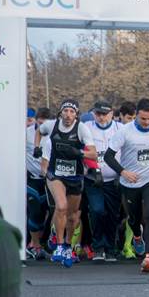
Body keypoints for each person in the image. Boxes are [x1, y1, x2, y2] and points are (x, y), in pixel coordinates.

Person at [104, 98, 149, 273]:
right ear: (136, 116)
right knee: (133, 219)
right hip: (130, 182)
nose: (147, 122)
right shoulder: (125, 132)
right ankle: (137, 236)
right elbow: (108, 157)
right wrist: (123, 172)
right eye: (143, 119)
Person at [37, 100, 98, 268]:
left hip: (75, 177)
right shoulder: (52, 126)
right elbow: (38, 131)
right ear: (61, 113)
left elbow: (93, 154)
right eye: (66, 111)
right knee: (61, 206)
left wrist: (78, 152)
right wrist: (37, 149)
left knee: (72, 217)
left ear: (76, 114)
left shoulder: (81, 128)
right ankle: (59, 245)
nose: (68, 115)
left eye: (72, 112)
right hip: (56, 175)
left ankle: (68, 246)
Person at [84, 101, 121, 262]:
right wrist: (93, 169)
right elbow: (85, 150)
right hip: (93, 178)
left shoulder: (120, 129)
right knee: (97, 211)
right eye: (98, 113)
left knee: (113, 214)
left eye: (104, 114)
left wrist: (122, 172)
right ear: (94, 114)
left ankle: (111, 248)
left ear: (111, 114)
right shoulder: (87, 127)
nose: (101, 117)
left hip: (114, 179)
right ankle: (98, 246)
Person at [25, 107, 54, 259]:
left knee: (46, 212)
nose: (42, 125)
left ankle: (40, 243)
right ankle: (34, 245)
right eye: (39, 121)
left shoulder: (53, 134)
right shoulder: (27, 132)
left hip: (48, 179)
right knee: (34, 211)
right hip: (31, 178)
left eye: (45, 122)